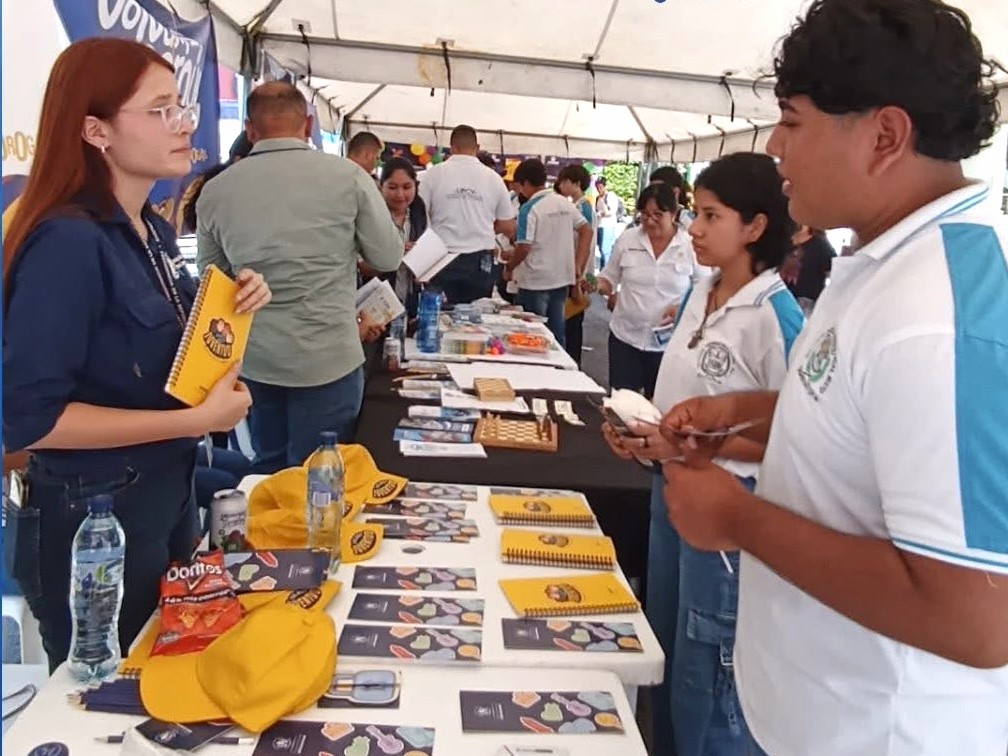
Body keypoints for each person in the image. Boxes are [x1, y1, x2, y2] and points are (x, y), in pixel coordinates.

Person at [657, 2, 1008, 755]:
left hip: (879, 732)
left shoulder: (937, 317)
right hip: (810, 713)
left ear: (885, 135)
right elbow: (866, 428)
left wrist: (738, 520)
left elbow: (976, 619)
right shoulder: (880, 264)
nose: (776, 148)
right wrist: (748, 418)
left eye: (793, 121)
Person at [1, 38, 271, 670]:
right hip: (93, 525)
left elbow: (179, 351)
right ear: (96, 130)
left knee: (163, 678)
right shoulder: (68, 243)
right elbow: (28, 421)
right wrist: (193, 423)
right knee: (107, 703)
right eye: (159, 111)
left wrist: (233, 308)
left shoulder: (146, 229)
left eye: (181, 106)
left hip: (163, 500)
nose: (184, 124)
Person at [602, 152, 803, 756]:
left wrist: (699, 447)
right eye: (696, 213)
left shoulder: (775, 317)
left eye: (711, 216)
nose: (693, 228)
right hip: (674, 490)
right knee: (666, 639)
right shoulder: (702, 290)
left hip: (730, 507)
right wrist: (646, 440)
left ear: (755, 227)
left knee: (708, 659)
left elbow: (798, 439)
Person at [196, 82, 402, 473]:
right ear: (308, 125)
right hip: (328, 356)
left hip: (256, 359)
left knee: (268, 469)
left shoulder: (215, 192)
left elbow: (213, 282)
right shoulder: (349, 177)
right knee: (321, 478)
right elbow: (387, 255)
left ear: (250, 130)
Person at [597, 183, 701, 397]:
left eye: (657, 214)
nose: (650, 221)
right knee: (622, 404)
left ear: (673, 214)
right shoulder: (628, 239)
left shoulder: (690, 245)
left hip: (668, 345)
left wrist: (682, 307)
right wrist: (596, 285)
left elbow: (706, 288)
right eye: (644, 215)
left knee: (660, 407)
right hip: (625, 337)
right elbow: (609, 277)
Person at [418, 125, 516, 305]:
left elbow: (420, 215)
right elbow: (508, 225)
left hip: (440, 256)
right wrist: (484, 228)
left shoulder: (433, 175)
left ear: (452, 147)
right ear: (477, 148)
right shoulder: (493, 178)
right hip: (479, 260)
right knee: (475, 319)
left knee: (438, 316)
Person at [505, 158, 592, 346]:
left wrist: (509, 267)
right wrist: (577, 265)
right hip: (561, 279)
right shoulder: (564, 203)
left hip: (534, 281)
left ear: (526, 184)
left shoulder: (528, 209)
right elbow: (587, 230)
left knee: (531, 336)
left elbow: (524, 247)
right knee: (556, 337)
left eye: (520, 186)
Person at [555, 163, 598, 365]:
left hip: (577, 273)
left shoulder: (583, 208)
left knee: (572, 323)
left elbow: (585, 242)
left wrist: (579, 274)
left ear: (577, 183)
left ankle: (573, 363)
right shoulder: (579, 206)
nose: (561, 185)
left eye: (565, 181)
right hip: (576, 271)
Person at [379, 157, 429, 321]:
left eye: (407, 187)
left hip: (409, 300)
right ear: (381, 186)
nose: (400, 195)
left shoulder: (418, 213)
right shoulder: (373, 215)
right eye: (392, 187)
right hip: (377, 302)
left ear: (416, 186)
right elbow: (360, 264)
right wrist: (394, 255)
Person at [779, 225, 836, 313]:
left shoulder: (820, 244)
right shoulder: (783, 242)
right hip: (781, 296)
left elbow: (833, 272)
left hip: (807, 300)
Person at [594, 176, 621, 267]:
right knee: (601, 249)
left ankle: (605, 271)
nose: (599, 189)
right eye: (597, 187)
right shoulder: (598, 198)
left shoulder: (610, 196)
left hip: (607, 226)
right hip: (599, 225)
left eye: (601, 186)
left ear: (605, 186)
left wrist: (602, 213)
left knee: (605, 251)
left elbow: (612, 212)